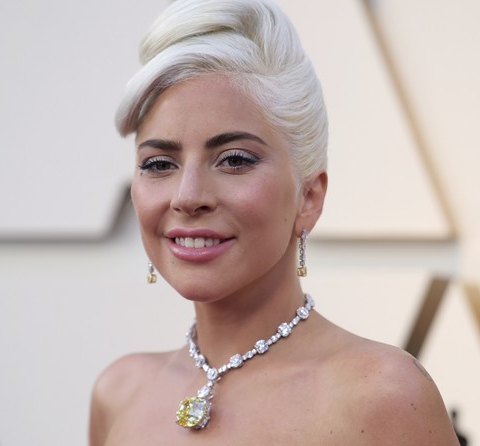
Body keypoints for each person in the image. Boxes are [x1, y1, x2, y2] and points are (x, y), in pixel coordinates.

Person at [89, 0, 459, 444]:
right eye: (158, 163)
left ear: (309, 196)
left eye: (234, 159)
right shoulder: (119, 392)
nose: (187, 197)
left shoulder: (380, 394)